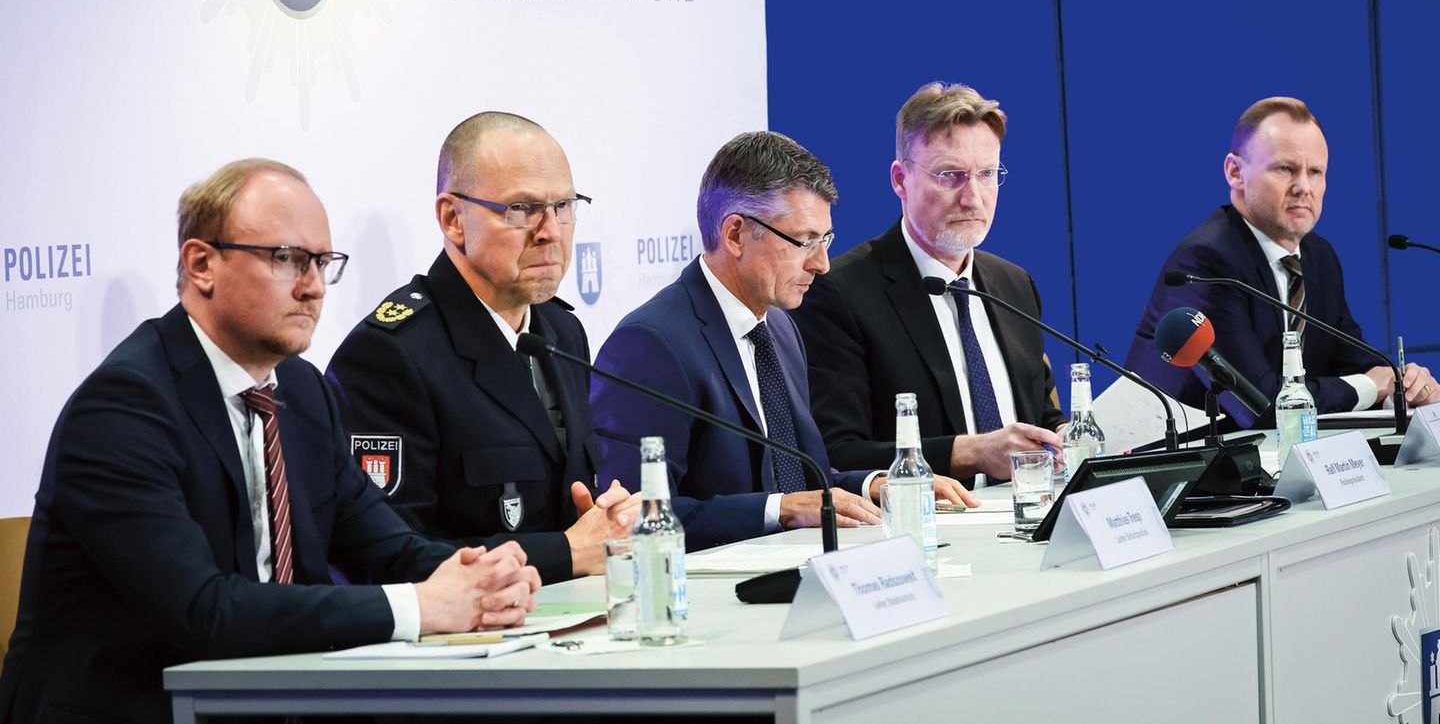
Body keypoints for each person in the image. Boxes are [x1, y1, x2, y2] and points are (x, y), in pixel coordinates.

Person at [0, 159, 541, 723]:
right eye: (286, 258)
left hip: (277, 701)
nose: (312, 287)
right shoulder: (124, 407)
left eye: (322, 262)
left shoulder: (303, 391)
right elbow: (204, 611)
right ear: (201, 263)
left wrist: (482, 576)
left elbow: (389, 548)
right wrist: (419, 606)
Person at [590, 131, 974, 551]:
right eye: (804, 241)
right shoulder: (652, 344)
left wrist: (875, 484)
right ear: (735, 234)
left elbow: (804, 480)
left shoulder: (781, 326)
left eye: (825, 240)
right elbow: (634, 514)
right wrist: (780, 510)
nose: (822, 264)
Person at [327, 112, 635, 586]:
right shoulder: (391, 355)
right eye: (521, 209)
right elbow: (384, 558)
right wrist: (566, 551)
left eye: (564, 206)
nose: (549, 230)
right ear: (453, 219)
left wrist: (600, 519)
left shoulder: (561, 330)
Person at [791, 82, 1066, 486]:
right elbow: (837, 453)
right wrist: (970, 453)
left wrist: (1062, 436)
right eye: (950, 175)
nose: (973, 198)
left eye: (987, 174)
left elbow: (1039, 414)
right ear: (900, 180)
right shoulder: (841, 293)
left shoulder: (1014, 284)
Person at [1125, 96, 1439, 426]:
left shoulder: (1319, 256)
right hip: (1189, 464)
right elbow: (1260, 404)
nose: (1304, 187)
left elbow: (1357, 363)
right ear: (1235, 172)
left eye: (1316, 172)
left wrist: (1407, 387)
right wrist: (1371, 385)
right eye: (1285, 168)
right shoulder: (1205, 263)